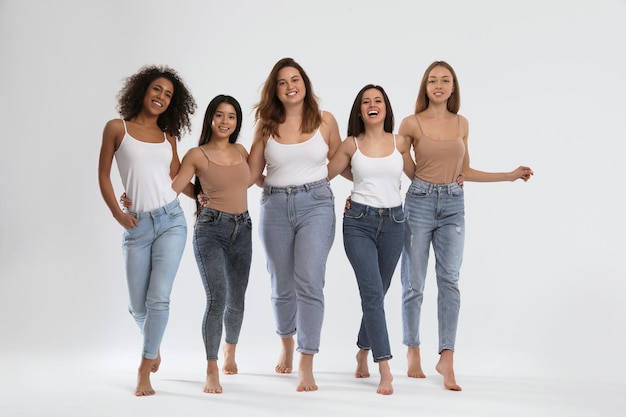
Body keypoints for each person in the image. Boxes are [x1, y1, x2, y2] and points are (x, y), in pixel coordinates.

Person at [398, 61, 533, 391]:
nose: (439, 85)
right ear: (425, 87)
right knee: (414, 281)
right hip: (419, 201)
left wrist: (509, 174)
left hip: (453, 205)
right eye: (433, 80)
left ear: (453, 87)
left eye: (445, 80)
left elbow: (465, 171)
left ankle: (447, 357)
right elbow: (403, 165)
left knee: (450, 280)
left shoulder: (462, 123)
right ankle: (412, 349)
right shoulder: (411, 123)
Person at [97, 65, 196, 396]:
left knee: (159, 298)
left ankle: (144, 369)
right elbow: (103, 176)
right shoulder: (117, 128)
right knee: (137, 307)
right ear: (142, 90)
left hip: (171, 221)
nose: (161, 97)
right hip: (136, 225)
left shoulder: (170, 138)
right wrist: (118, 214)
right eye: (157, 89)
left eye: (168, 94)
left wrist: (205, 194)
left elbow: (177, 180)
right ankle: (153, 345)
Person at [247, 57, 342, 392]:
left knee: (310, 281)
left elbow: (343, 161)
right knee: (281, 284)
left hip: (316, 204)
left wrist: (372, 185)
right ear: (276, 90)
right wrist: (203, 189)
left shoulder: (326, 121)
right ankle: (286, 342)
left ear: (305, 84)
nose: (290, 86)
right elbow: (250, 174)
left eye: (295, 79)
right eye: (283, 82)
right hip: (274, 206)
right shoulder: (266, 126)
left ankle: (306, 359)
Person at [327, 84, 415, 395]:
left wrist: (454, 176)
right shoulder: (351, 145)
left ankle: (362, 350)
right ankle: (385, 368)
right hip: (358, 224)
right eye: (366, 101)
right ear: (360, 110)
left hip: (394, 223)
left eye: (377, 101)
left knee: (379, 292)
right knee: (373, 294)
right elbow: (323, 173)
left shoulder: (400, 142)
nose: (372, 105)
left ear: (386, 108)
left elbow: (420, 176)